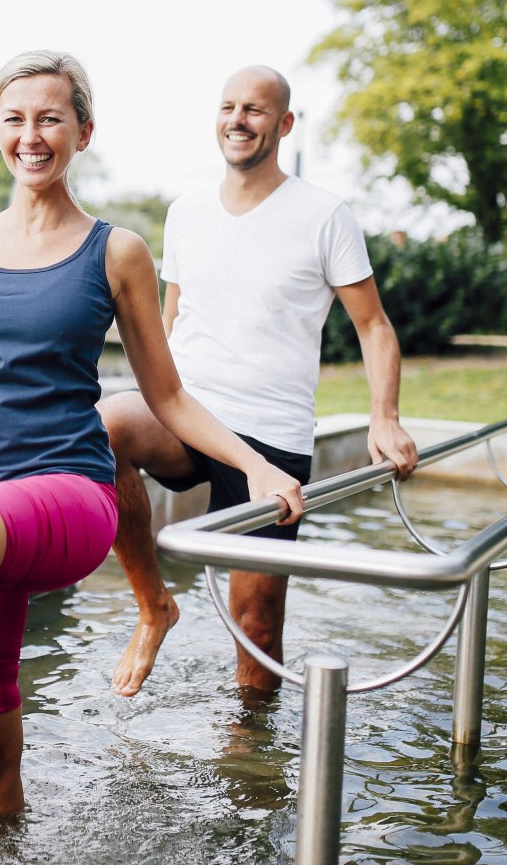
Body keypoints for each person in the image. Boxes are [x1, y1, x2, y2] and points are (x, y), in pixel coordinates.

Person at [0, 51, 306, 865]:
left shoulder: (118, 251)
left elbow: (167, 394)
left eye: (51, 118)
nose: (32, 135)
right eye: (15, 118)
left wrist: (253, 464)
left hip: (64, 491)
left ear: (82, 133)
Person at [100, 64, 419, 701]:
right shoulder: (185, 211)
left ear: (284, 123)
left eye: (254, 109)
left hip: (271, 437)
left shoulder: (325, 214)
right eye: (228, 107)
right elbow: (171, 318)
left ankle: (251, 760)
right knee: (102, 426)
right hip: (188, 415)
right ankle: (153, 606)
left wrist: (383, 416)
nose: (237, 120)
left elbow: (374, 326)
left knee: (256, 628)